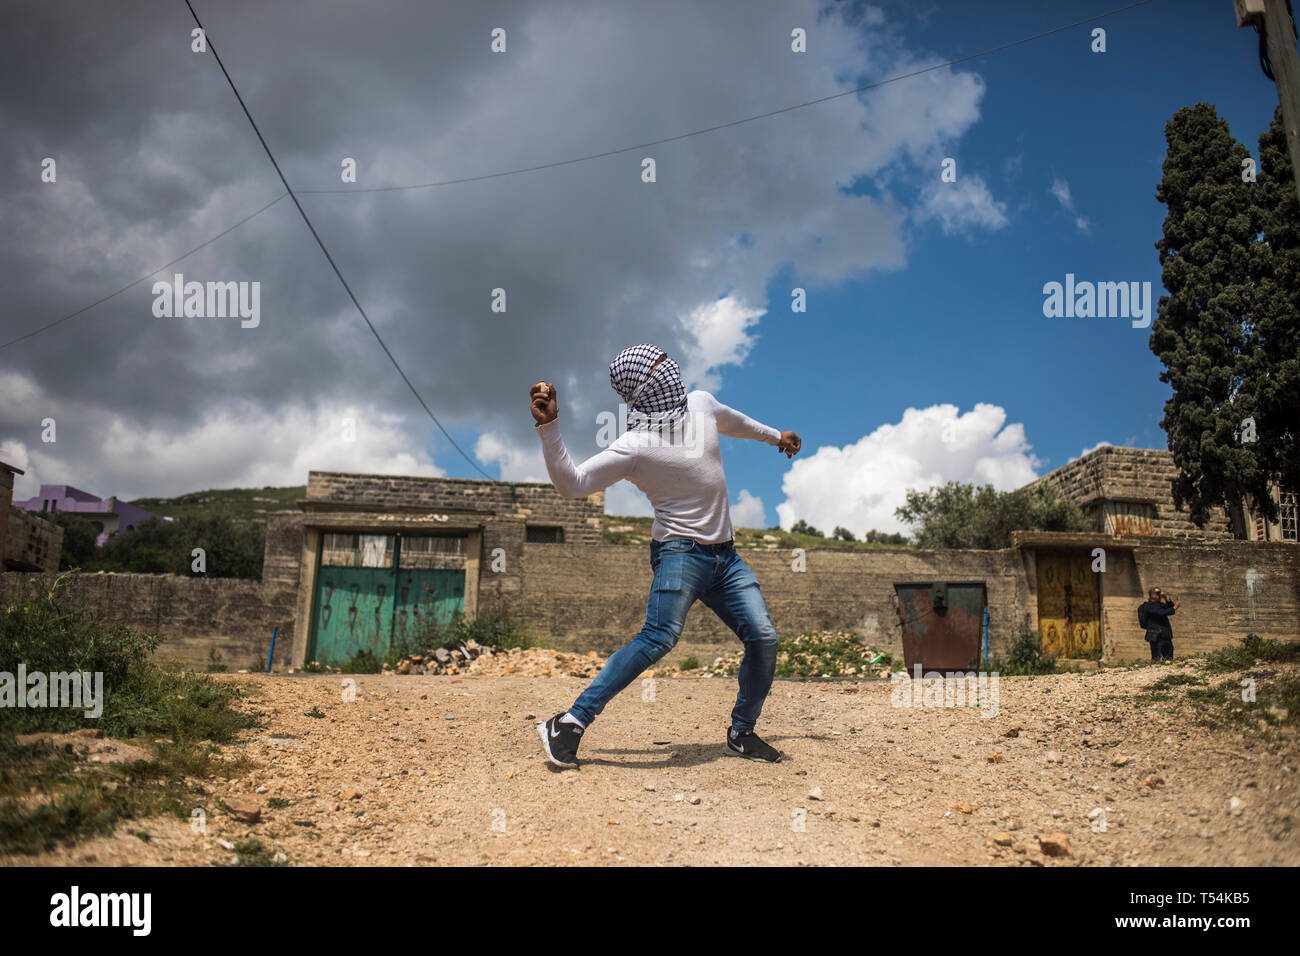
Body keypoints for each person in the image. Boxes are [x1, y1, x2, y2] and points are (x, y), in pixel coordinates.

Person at [530, 344, 801, 768]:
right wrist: (550, 429)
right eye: (657, 372)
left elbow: (735, 422)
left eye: (665, 363)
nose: (669, 373)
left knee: (763, 637)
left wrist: (775, 436)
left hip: (726, 558)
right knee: (658, 638)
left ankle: (742, 732)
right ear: (640, 391)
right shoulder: (635, 446)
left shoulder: (702, 405)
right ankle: (569, 723)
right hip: (679, 554)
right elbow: (574, 483)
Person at [1138, 586, 1178, 661]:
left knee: (1169, 657)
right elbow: (1161, 613)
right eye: (1158, 593)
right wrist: (1174, 608)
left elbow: (1169, 607)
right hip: (1155, 636)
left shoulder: (1160, 605)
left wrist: (1166, 598)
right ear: (1152, 595)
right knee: (1156, 657)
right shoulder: (1148, 606)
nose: (1160, 595)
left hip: (1165, 635)